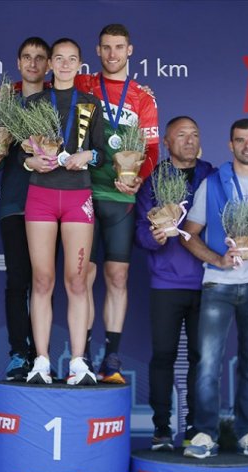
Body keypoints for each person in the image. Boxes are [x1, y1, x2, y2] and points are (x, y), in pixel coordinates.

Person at [180, 118, 248, 459]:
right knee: (208, 364)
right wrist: (217, 260)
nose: (247, 146)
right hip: (219, 284)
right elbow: (189, 234)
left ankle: (247, 432)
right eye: (240, 140)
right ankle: (205, 433)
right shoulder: (212, 184)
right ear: (230, 145)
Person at [75, 23, 159, 383]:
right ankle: (81, 357)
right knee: (84, 276)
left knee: (118, 276)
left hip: (120, 197)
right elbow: (43, 90)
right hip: (84, 192)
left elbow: (151, 149)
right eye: (106, 47)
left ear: (130, 50)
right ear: (97, 51)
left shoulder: (142, 97)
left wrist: (141, 176)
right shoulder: (83, 84)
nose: (112, 54)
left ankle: (111, 359)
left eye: (119, 47)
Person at [21, 38, 106, 385]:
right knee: (42, 280)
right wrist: (30, 161)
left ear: (80, 65)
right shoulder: (35, 102)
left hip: (77, 196)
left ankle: (78, 362)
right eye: (59, 58)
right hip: (41, 196)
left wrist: (88, 155)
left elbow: (101, 151)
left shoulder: (90, 103)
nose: (66, 64)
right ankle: (41, 361)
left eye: (72, 58)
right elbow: (21, 153)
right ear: (50, 64)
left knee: (77, 280)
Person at [134, 116, 214, 450]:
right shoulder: (153, 180)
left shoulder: (214, 177)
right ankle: (162, 429)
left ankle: (197, 427)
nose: (189, 140)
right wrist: (153, 238)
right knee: (164, 355)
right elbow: (140, 230)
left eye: (194, 134)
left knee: (201, 358)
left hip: (209, 282)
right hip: (166, 282)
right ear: (166, 143)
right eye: (181, 135)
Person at [0, 37, 51, 381]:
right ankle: (19, 354)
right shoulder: (4, 105)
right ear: (18, 63)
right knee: (18, 280)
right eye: (27, 57)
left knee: (45, 282)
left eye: (39, 58)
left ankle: (43, 356)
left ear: (48, 65)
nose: (33, 63)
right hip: (15, 204)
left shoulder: (58, 102)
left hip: (50, 204)